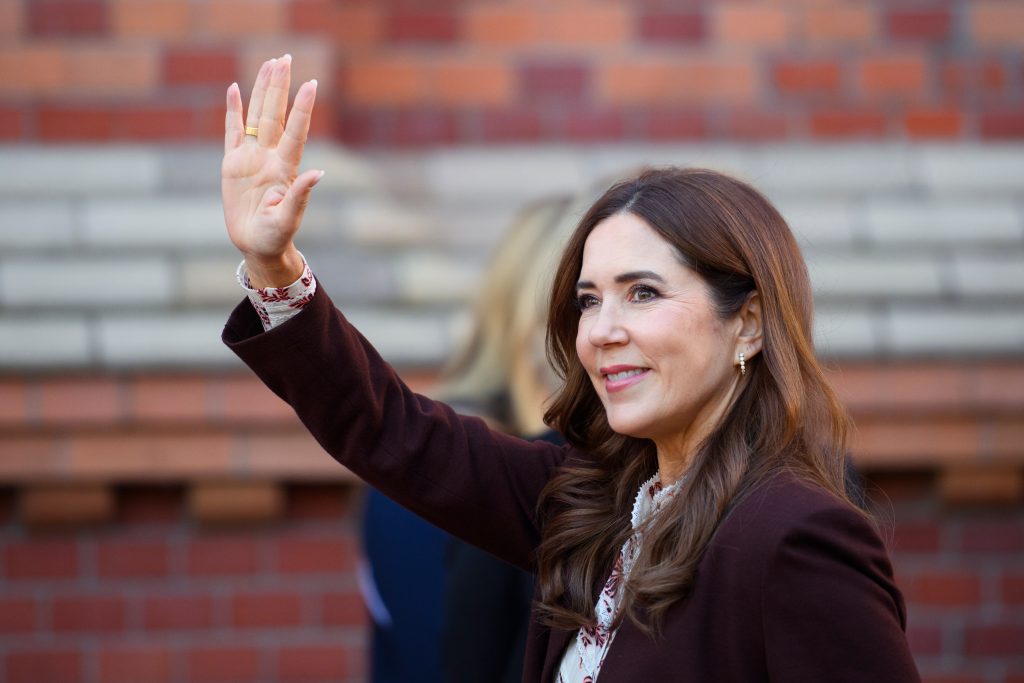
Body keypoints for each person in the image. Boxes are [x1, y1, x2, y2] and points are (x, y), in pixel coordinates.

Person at [221, 57, 921, 682]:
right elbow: (394, 432)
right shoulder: (588, 499)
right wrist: (275, 268)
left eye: (643, 293)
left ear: (749, 323)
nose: (604, 331)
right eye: (590, 301)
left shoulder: (797, 535)